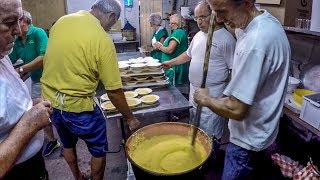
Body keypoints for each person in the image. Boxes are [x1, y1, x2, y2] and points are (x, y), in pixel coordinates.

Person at [40, 0, 140, 179]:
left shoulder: (61, 21)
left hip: (51, 104)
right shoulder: (102, 39)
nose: (110, 28)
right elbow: (114, 92)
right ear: (110, 16)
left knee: (67, 144)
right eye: (113, 23)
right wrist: (130, 118)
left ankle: (78, 176)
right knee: (98, 151)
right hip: (79, 108)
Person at [194, 0, 290, 179]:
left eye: (222, 12)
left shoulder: (256, 43)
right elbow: (237, 27)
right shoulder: (261, 21)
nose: (220, 20)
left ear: (246, 4)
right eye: (215, 12)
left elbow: (236, 109)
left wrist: (205, 99)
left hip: (246, 144)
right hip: (262, 132)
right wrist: (217, 12)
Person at [162, 0, 235, 154]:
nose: (199, 22)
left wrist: (228, 99)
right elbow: (187, 55)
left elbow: (234, 71)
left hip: (213, 96)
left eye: (202, 17)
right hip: (194, 93)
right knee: (194, 128)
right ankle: (195, 156)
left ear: (214, 14)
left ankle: (210, 162)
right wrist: (171, 62)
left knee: (210, 134)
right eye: (196, 18)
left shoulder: (226, 39)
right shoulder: (199, 36)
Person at [0, 0, 52, 179]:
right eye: (9, 23)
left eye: (19, 21)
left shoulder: (2, 55)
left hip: (32, 165)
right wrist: (29, 124)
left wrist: (29, 106)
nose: (18, 30)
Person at [9, 10, 60, 157]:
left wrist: (22, 69)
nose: (15, 28)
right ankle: (52, 140)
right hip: (37, 80)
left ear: (24, 21)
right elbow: (9, 59)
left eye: (16, 22)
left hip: (51, 79)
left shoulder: (38, 33)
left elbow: (43, 57)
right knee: (41, 110)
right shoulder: (18, 40)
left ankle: (68, 140)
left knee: (57, 110)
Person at [154, 14, 189, 86]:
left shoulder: (178, 32)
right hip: (172, 66)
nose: (170, 25)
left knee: (174, 92)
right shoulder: (178, 32)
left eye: (173, 23)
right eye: (170, 23)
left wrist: (159, 46)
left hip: (174, 68)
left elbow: (170, 50)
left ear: (179, 23)